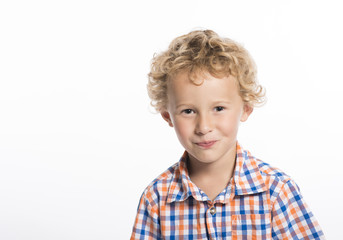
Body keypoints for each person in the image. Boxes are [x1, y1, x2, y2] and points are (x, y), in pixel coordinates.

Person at [130, 29, 325, 239]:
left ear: (246, 108)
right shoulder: (157, 198)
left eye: (219, 109)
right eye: (188, 111)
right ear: (168, 116)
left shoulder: (276, 191)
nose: (204, 127)